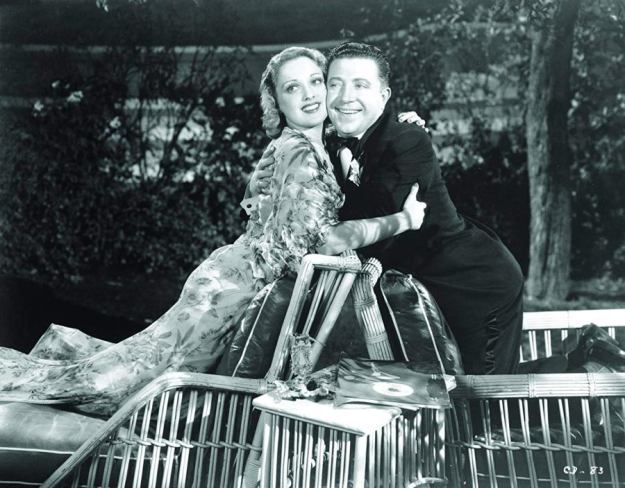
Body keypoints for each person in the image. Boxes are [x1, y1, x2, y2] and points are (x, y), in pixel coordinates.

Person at [0, 47, 426, 417]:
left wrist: (396, 122)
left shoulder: (315, 143)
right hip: (229, 290)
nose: (310, 94)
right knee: (131, 385)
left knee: (145, 366)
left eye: (316, 81)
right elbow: (326, 240)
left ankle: (55, 359)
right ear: (278, 102)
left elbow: (267, 203)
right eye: (292, 88)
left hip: (232, 276)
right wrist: (403, 220)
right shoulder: (300, 151)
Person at [325, 42, 524, 375]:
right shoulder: (332, 146)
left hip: (475, 282)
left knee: (483, 389)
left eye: (360, 85)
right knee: (448, 391)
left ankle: (589, 368)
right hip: (418, 289)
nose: (345, 96)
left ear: (384, 96)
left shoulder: (407, 139)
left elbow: (376, 230)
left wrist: (324, 231)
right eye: (335, 84)